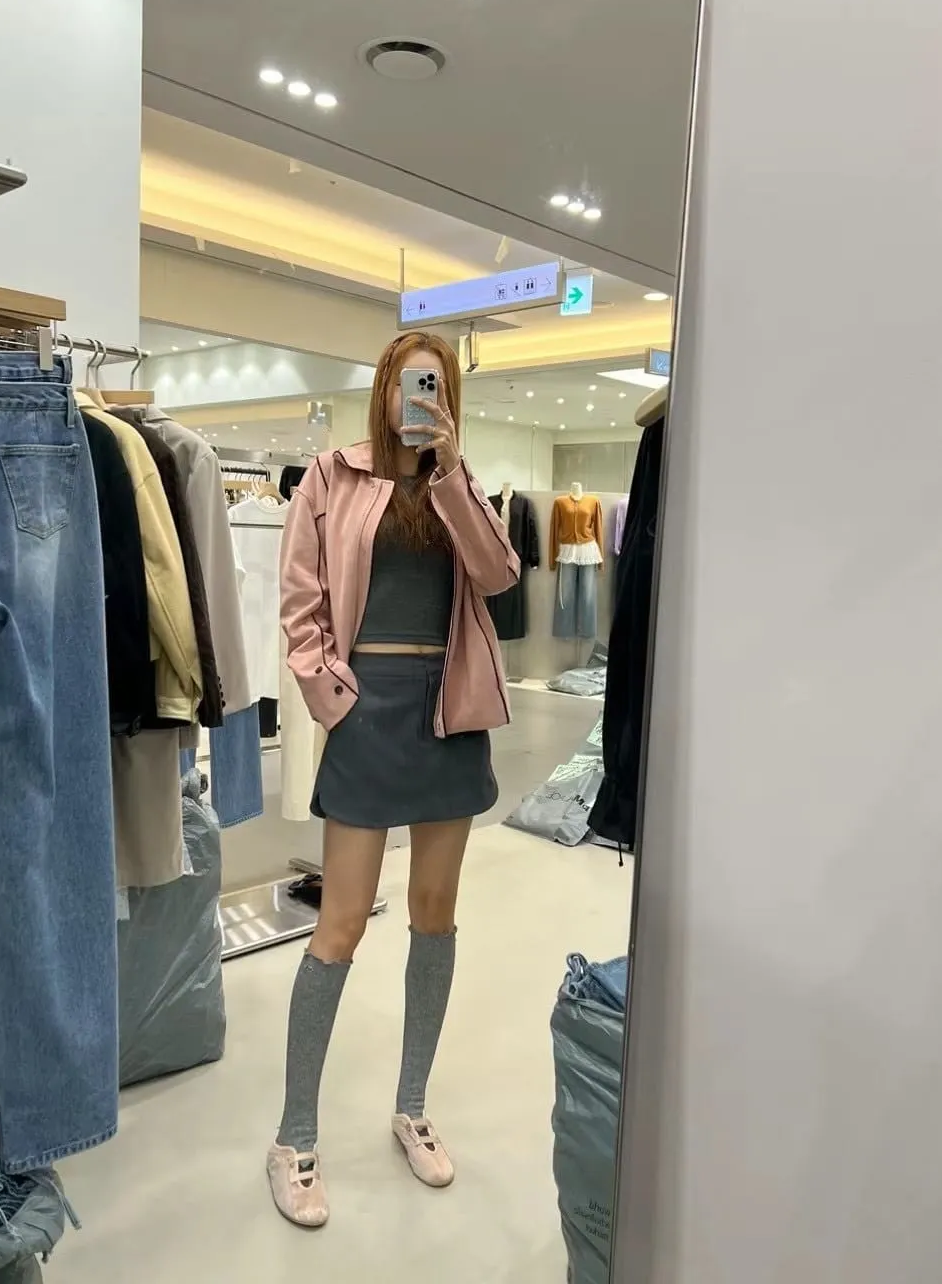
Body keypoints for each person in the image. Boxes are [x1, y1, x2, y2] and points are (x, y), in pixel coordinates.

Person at [268, 331, 519, 1227]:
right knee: (339, 924)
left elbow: (498, 575)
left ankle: (412, 1106)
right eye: (412, 383)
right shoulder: (330, 476)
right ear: (384, 389)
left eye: (437, 386)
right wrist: (333, 699)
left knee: (435, 915)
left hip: (449, 715)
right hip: (366, 711)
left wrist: (450, 471)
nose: (422, 397)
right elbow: (300, 602)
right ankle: (294, 1137)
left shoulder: (460, 482)